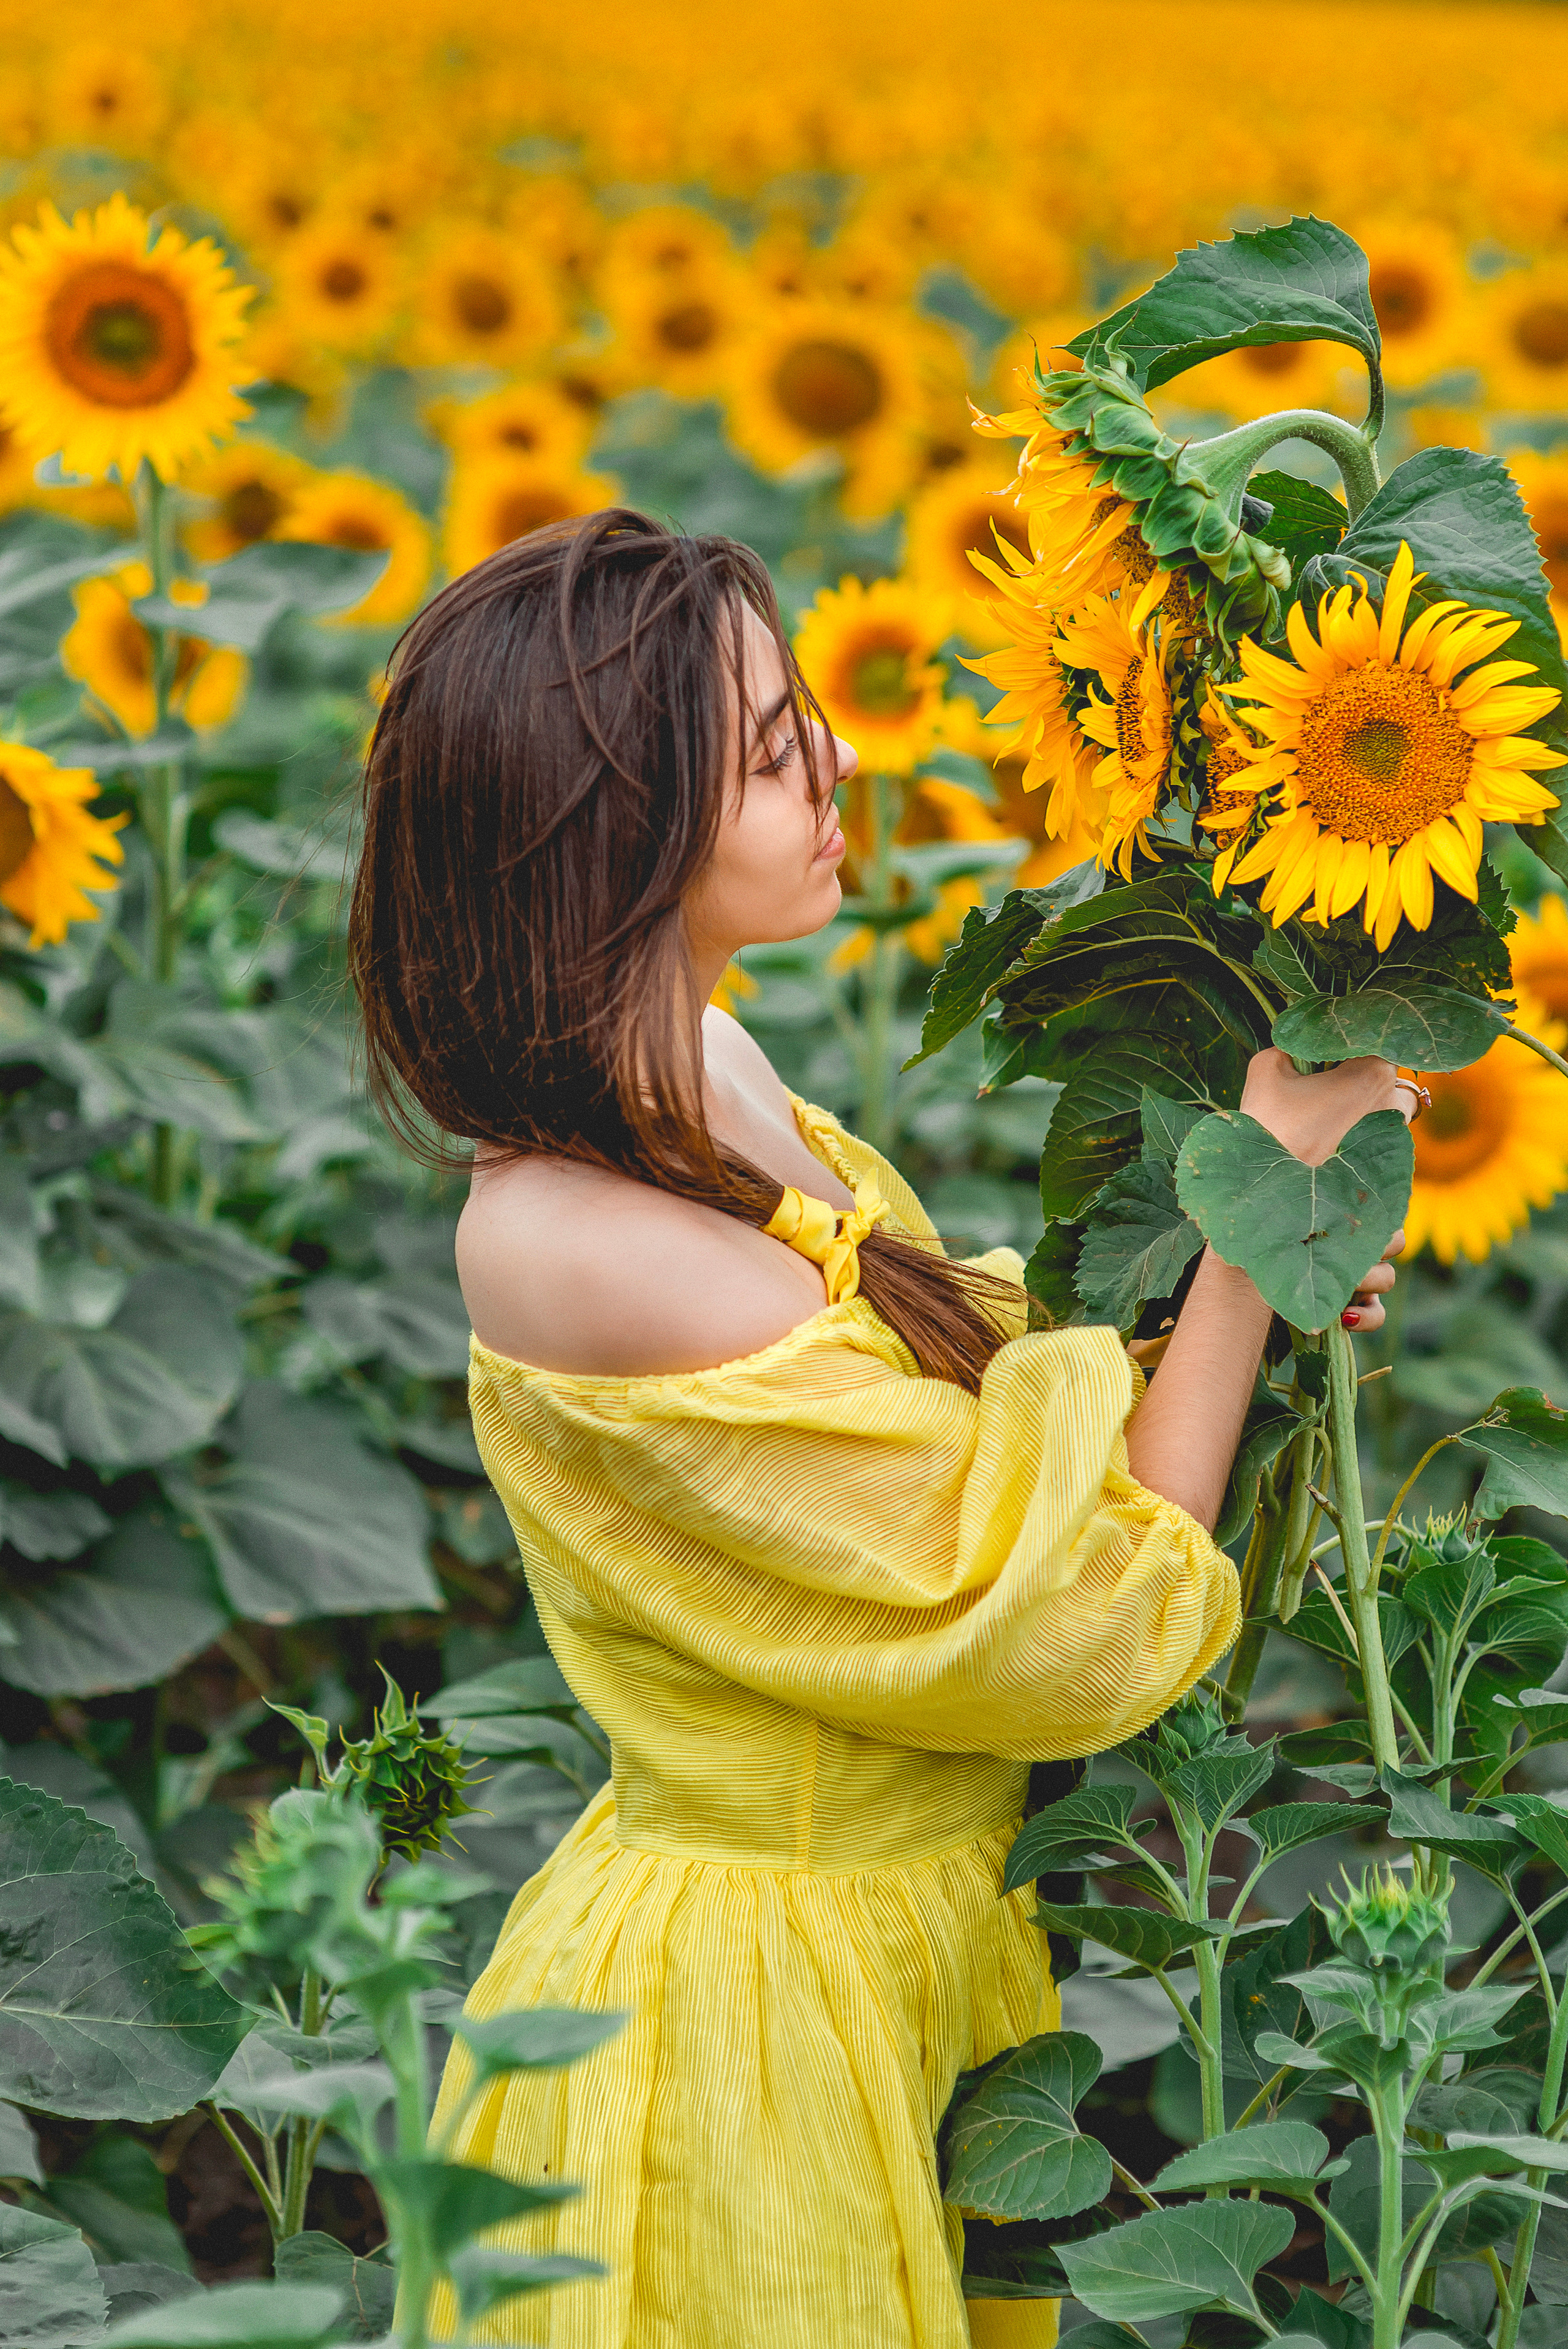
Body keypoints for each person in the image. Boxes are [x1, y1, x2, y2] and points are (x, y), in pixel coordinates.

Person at [349, 509, 1408, 2349]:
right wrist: (1260, 1220)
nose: (840, 759)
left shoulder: (704, 1068)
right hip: (738, 2033)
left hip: (888, 1948)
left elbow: (933, 1445)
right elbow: (1067, 1620)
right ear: (613, 831)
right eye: (774, 752)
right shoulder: (577, 1241)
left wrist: (1204, 1316)